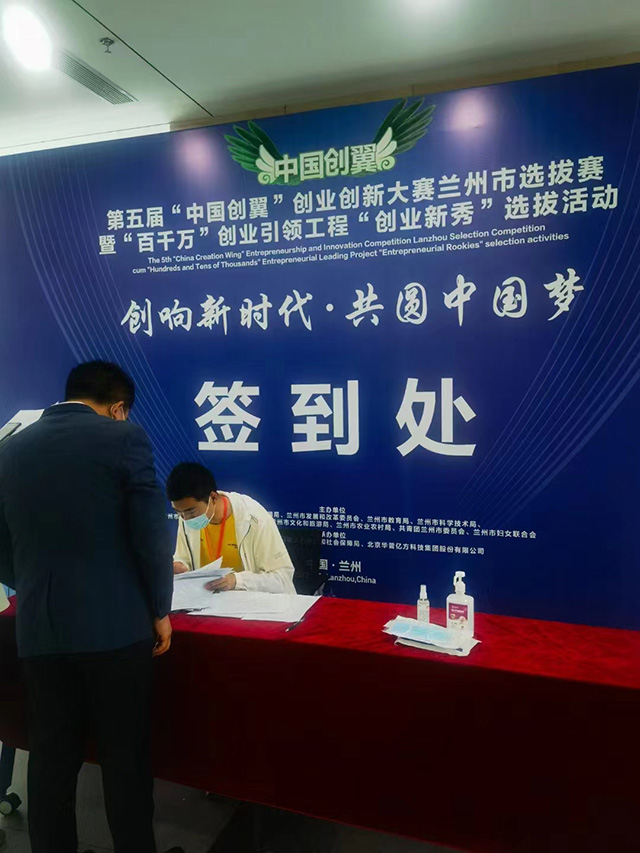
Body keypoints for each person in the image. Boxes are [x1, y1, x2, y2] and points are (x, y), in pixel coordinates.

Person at [0, 361, 180, 853]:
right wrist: (159, 608)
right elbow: (149, 534)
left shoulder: (11, 448)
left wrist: (32, 585)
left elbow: (2, 543)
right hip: (115, 630)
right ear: (118, 408)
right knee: (124, 758)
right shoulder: (124, 439)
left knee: (51, 759)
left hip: (40, 629)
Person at [167, 462, 295, 594]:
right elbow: (184, 559)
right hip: (209, 601)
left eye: (191, 512)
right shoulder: (187, 518)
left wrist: (237, 581)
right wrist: (180, 566)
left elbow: (282, 579)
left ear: (213, 498)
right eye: (179, 512)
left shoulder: (254, 519)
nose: (186, 518)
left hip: (251, 601)